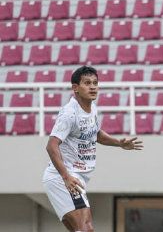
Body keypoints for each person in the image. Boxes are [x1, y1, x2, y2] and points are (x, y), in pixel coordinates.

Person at [43, 66, 143, 232]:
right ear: (75, 88)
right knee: (86, 228)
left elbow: (95, 134)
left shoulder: (92, 109)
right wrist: (66, 177)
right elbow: (51, 145)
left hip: (76, 179)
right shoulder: (69, 113)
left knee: (82, 229)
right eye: (87, 83)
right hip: (63, 178)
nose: (93, 87)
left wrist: (119, 143)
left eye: (95, 83)